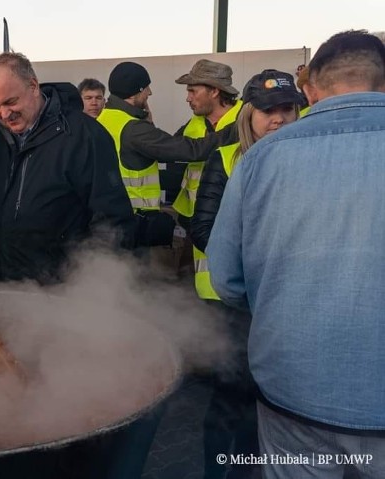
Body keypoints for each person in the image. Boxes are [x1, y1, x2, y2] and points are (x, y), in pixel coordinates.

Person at [208, 30, 385, 479]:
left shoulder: (259, 161)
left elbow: (225, 278)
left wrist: (282, 309)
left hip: (294, 392)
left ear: (308, 92)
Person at [191, 69, 303, 479]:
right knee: (229, 401)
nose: (277, 118)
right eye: (267, 110)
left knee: (268, 404)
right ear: (248, 114)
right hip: (233, 304)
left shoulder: (306, 160)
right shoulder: (224, 158)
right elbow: (202, 227)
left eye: (286, 109)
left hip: (284, 304)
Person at [0, 52, 136, 285]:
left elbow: (111, 222)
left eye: (11, 102)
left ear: (33, 86)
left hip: (62, 293)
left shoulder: (85, 136)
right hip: (1, 287)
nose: (4, 114)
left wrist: (97, 289)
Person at [98, 61, 237, 248]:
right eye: (146, 88)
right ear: (135, 92)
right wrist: (239, 129)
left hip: (111, 221)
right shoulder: (134, 128)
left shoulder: (106, 118)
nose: (149, 93)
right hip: (133, 223)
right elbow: (186, 150)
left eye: (192, 91)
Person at [170, 59, 243, 227]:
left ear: (214, 91)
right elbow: (171, 148)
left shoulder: (247, 119)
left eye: (193, 91)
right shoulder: (194, 122)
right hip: (193, 219)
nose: (188, 98)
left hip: (231, 220)